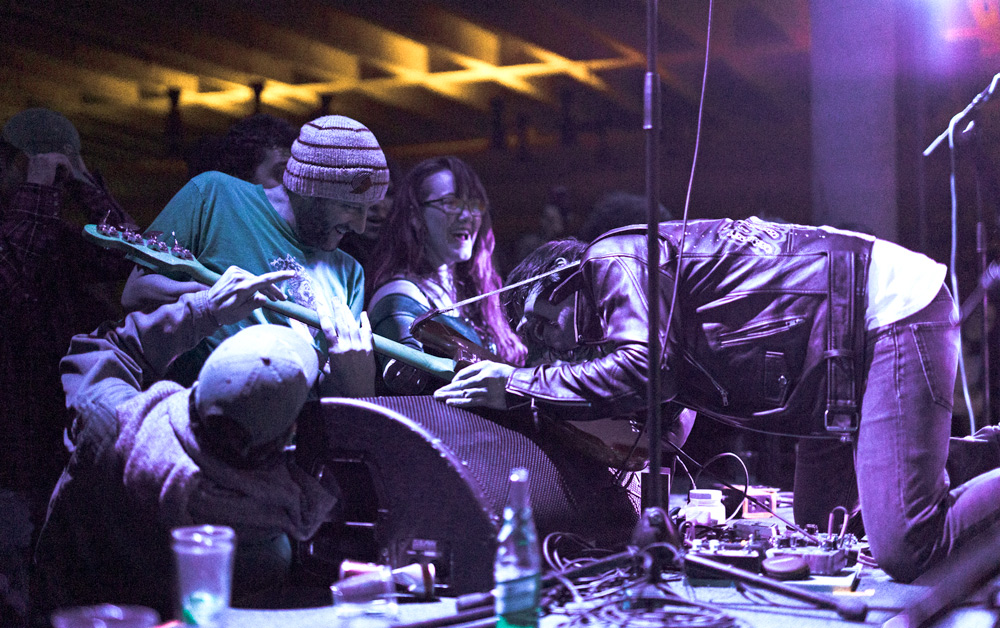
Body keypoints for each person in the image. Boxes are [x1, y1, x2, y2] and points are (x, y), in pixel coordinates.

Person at [433, 217, 999, 584]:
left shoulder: (611, 260)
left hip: (886, 313)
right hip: (834, 366)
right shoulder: (635, 314)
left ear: (562, 279)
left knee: (906, 545)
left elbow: (643, 368)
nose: (550, 342)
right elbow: (666, 413)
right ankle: (968, 456)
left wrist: (516, 384)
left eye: (542, 322)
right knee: (816, 526)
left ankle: (935, 473)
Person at [32, 266, 338, 619]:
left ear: (198, 382)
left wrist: (203, 310)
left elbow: (107, 347)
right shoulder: (266, 548)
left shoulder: (111, 419)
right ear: (289, 435)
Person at [121, 114, 389, 395]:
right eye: (350, 207)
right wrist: (211, 298)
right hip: (199, 412)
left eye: (367, 209)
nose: (360, 226)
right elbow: (134, 294)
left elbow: (328, 391)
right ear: (308, 188)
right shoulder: (214, 195)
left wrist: (353, 376)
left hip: (297, 422)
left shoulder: (350, 273)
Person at [0, 108, 139, 624]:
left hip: (48, 443)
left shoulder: (48, 235)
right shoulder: (25, 231)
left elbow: (132, 255)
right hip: (8, 458)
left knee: (54, 587)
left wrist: (87, 187)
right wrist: (37, 187)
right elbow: (11, 283)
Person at [367, 156, 525, 394]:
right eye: (451, 203)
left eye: (474, 204)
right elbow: (404, 380)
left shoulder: (471, 289)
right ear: (414, 216)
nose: (467, 215)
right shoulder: (398, 295)